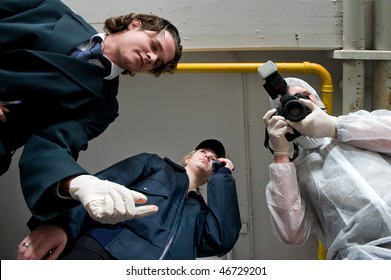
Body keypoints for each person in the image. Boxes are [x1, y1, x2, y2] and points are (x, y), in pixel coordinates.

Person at [0, 0, 182, 224]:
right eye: (154, 46)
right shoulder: (51, 9)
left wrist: (76, 183)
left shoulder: (102, 108)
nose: (152, 58)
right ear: (135, 25)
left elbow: (51, 144)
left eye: (157, 63)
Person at [17, 139, 242, 260]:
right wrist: (62, 227)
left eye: (214, 159)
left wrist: (224, 176)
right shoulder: (153, 164)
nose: (208, 156)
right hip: (101, 253)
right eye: (203, 151)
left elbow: (222, 240)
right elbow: (101, 186)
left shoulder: (202, 214)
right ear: (189, 156)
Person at [262, 77, 391, 260]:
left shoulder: (358, 123)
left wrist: (334, 127)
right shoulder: (295, 174)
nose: (297, 103)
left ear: (317, 100)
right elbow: (292, 234)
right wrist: (281, 153)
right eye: (287, 104)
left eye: (304, 95)